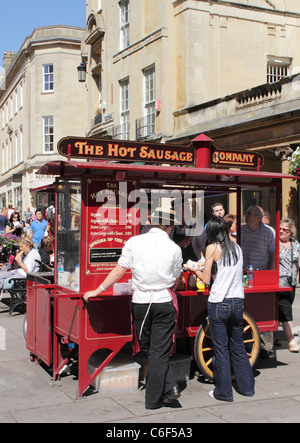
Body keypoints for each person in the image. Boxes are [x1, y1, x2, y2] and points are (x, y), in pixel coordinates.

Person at [84, 207, 183, 410]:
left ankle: (155, 398)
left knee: (150, 349)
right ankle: (167, 388)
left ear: (151, 223)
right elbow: (175, 279)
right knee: (159, 351)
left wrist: (97, 290)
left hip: (141, 303)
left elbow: (119, 270)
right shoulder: (175, 248)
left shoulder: (134, 242)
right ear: (170, 226)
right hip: (163, 301)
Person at [185, 216, 255, 402]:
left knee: (221, 348)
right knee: (238, 345)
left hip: (219, 302)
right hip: (237, 301)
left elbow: (206, 279)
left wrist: (193, 269)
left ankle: (224, 392)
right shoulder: (237, 248)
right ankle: (247, 388)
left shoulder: (212, 248)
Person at [277, 217, 300, 352]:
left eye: (285, 229)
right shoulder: (275, 244)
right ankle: (291, 340)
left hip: (292, 282)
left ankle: (272, 335)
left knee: (284, 308)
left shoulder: (295, 244)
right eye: (280, 229)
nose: (281, 231)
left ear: (291, 232)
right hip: (280, 282)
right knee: (286, 311)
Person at [241, 205, 275, 270]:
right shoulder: (241, 230)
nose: (246, 216)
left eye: (249, 214)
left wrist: (270, 273)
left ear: (258, 217)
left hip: (262, 273)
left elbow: (273, 255)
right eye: (246, 213)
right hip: (243, 273)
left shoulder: (269, 232)